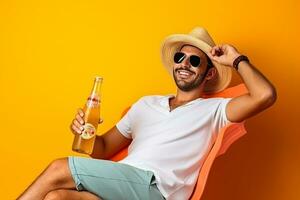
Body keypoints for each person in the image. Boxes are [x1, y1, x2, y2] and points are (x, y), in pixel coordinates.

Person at [17, 27, 277, 200]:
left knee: (58, 168)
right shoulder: (145, 104)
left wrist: (236, 60)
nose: (185, 64)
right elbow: (103, 148)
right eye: (180, 57)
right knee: (56, 198)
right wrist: (87, 133)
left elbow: (264, 95)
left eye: (195, 60)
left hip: (156, 189)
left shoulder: (216, 110)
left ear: (209, 73)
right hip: (122, 187)